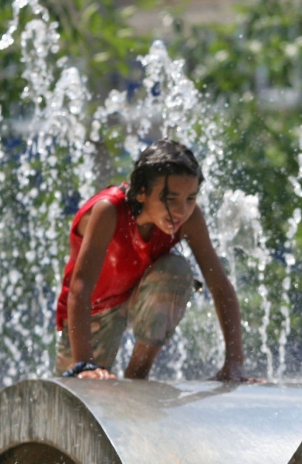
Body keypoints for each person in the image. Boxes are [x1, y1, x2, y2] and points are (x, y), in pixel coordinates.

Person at [55, 140, 252, 382]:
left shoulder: (189, 219)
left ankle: (139, 372)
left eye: (191, 198)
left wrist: (235, 364)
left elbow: (220, 287)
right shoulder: (109, 211)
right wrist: (84, 365)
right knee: (80, 391)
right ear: (141, 193)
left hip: (138, 297)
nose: (181, 211)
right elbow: (80, 289)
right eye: (171, 199)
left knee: (176, 269)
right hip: (93, 311)